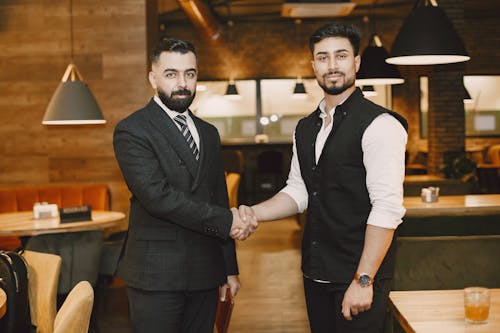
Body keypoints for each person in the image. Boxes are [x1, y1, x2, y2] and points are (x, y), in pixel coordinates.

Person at [235, 23, 408, 333]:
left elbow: (387, 209)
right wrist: (251, 213)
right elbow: (299, 191)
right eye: (323, 57)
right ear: (313, 65)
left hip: (357, 276)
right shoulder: (306, 127)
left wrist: (362, 280)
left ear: (356, 63)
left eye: (341, 56)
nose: (332, 65)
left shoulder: (380, 125)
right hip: (316, 272)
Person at [113, 37, 256, 333]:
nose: (182, 83)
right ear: (152, 77)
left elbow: (218, 197)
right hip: (156, 274)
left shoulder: (209, 133)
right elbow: (158, 198)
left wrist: (228, 269)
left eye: (189, 74)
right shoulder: (132, 130)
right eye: (171, 74)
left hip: (205, 271)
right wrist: (228, 220)